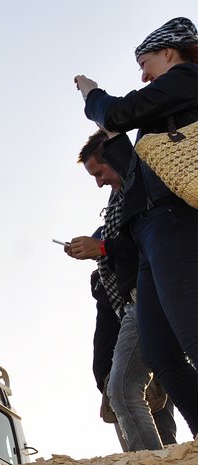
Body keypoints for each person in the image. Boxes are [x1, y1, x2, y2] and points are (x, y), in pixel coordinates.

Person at [75, 17, 198, 437]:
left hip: (174, 223)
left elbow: (120, 111)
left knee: (192, 335)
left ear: (169, 52)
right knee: (162, 353)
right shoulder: (170, 101)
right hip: (148, 233)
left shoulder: (187, 77)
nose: (143, 75)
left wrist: (92, 94)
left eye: (145, 63)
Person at [63, 130, 174, 450]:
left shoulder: (146, 191)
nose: (98, 183)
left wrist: (102, 248)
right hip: (140, 304)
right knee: (157, 396)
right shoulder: (117, 206)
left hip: (149, 300)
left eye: (99, 172)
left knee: (125, 390)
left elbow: (150, 246)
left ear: (114, 156)